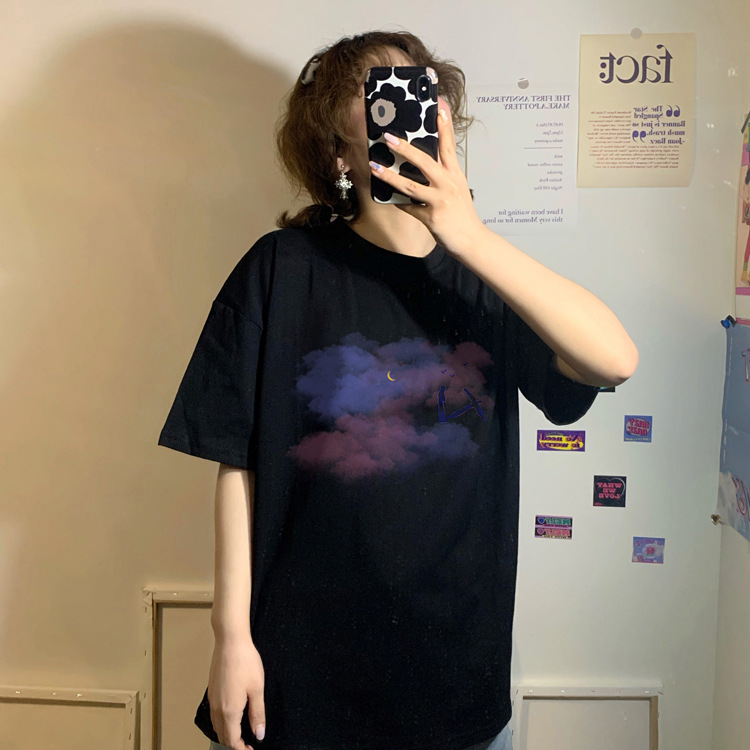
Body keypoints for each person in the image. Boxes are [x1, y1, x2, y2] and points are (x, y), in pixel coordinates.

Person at [157, 30, 638, 750]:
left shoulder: (487, 279)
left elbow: (615, 359)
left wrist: (468, 234)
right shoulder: (281, 268)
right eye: (377, 93)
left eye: (420, 88)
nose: (407, 105)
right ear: (338, 151)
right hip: (299, 675)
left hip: (454, 677)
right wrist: (231, 637)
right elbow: (238, 462)